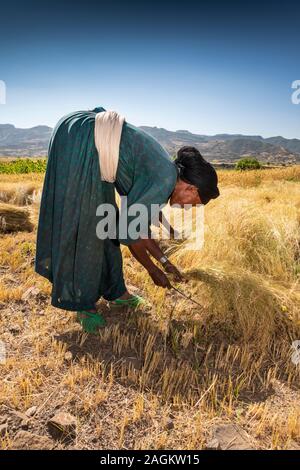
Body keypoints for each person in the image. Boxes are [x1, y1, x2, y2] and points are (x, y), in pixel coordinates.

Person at [35, 107, 219, 333]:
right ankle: (82, 304)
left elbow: (139, 227)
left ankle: (116, 292)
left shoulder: (167, 175)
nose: (189, 207)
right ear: (191, 187)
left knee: (105, 222)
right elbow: (131, 236)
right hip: (81, 139)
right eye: (194, 202)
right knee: (87, 228)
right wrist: (153, 271)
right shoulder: (163, 180)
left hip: (91, 141)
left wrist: (165, 262)